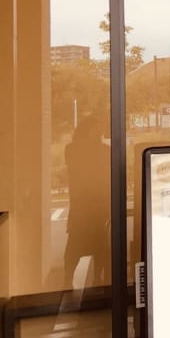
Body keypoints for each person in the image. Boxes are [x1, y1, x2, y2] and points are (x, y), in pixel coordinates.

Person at [63, 112, 111, 289]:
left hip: (92, 203)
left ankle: (96, 277)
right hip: (86, 203)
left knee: (96, 244)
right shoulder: (76, 149)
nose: (99, 131)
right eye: (96, 127)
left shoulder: (74, 149)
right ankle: (70, 278)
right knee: (79, 242)